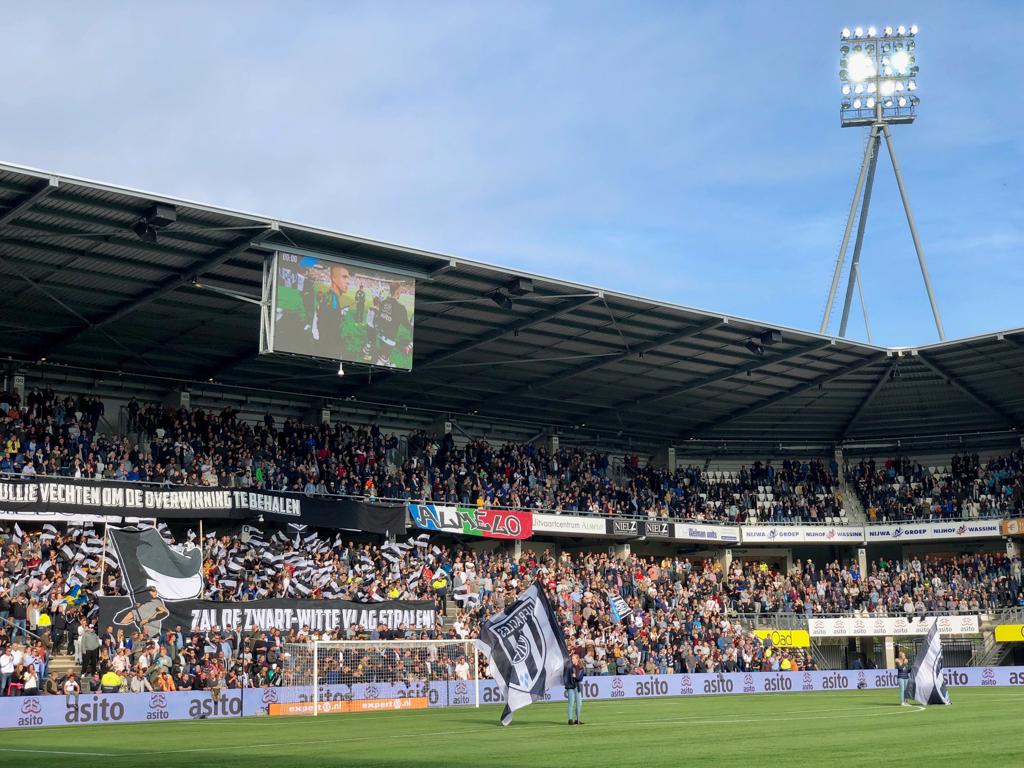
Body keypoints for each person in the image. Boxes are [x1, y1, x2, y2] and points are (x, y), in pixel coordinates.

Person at [564, 653, 585, 726]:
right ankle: (570, 719)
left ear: (577, 659)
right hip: (570, 687)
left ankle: (577, 719)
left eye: (573, 658)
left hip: (577, 687)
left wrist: (575, 677)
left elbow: (580, 678)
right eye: (572, 658)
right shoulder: (569, 667)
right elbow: (566, 677)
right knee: (571, 703)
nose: (572, 659)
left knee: (579, 703)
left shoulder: (581, 668)